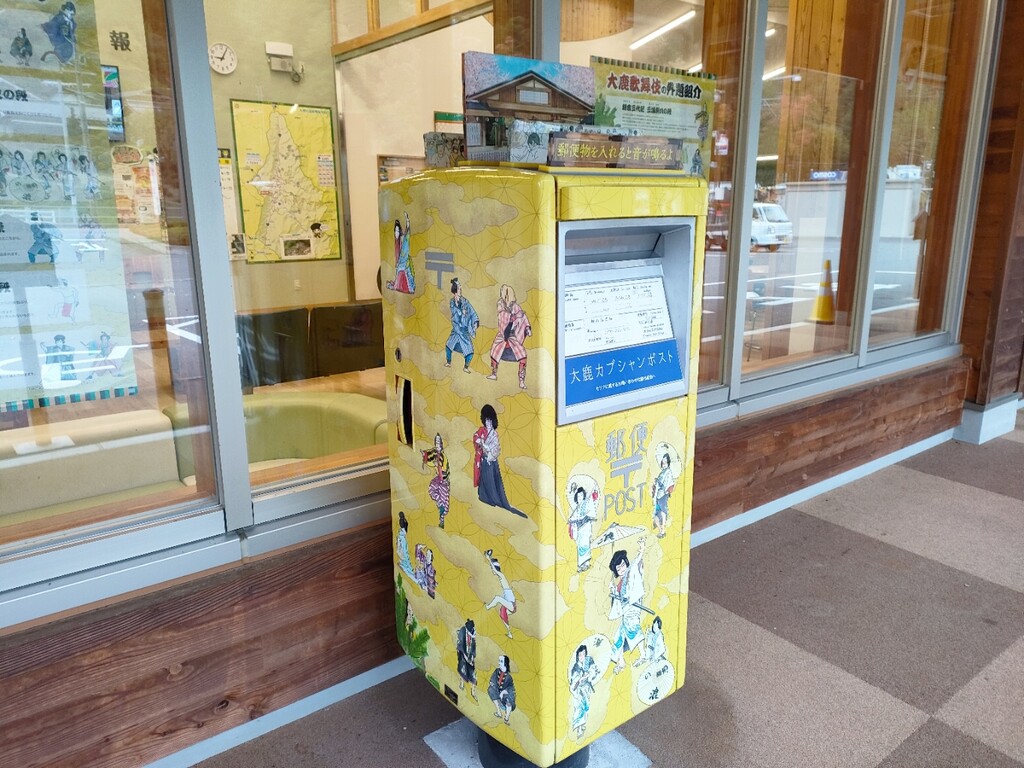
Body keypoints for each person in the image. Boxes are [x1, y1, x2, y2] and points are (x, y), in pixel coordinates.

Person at [472, 404, 525, 518]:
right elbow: (475, 438)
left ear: (493, 421)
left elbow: (497, 448)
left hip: (491, 460)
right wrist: (481, 443)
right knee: (484, 480)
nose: (488, 423)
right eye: (486, 420)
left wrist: (489, 453)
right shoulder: (482, 431)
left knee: (493, 481)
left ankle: (494, 500)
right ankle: (485, 497)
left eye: (490, 420)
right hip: (484, 459)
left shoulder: (494, 434)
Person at [608, 538, 648, 674]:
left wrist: (641, 550)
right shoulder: (620, 583)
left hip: (633, 607)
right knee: (618, 637)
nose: (621, 569)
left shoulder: (631, 572)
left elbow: (636, 563)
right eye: (618, 568)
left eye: (622, 565)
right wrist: (613, 590)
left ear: (626, 563)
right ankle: (621, 662)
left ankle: (643, 654)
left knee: (633, 629)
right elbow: (618, 599)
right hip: (626, 609)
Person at [487, 284, 531, 389]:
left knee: (523, 356)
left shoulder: (515, 306)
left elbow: (523, 318)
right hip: (503, 335)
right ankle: (494, 373)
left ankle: (521, 381)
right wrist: (514, 317)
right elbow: (503, 317)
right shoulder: (500, 304)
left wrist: (527, 328)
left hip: (513, 337)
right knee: (494, 350)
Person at [445, 277, 478, 372]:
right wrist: (462, 313)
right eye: (459, 288)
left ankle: (466, 367)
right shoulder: (452, 302)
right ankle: (448, 362)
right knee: (448, 346)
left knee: (470, 352)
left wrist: (475, 322)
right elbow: (455, 315)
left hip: (464, 331)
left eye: (460, 288)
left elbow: (472, 312)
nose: (460, 290)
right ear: (455, 291)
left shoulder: (465, 302)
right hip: (456, 330)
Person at [483, 549, 516, 638]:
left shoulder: (501, 575)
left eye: (493, 569)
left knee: (497, 598)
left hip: (511, 605)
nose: (492, 571)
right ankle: (509, 633)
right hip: (509, 604)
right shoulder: (500, 576)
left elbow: (495, 570)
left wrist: (488, 558)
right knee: (502, 614)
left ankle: (488, 607)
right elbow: (495, 569)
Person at [420, 433, 450, 528]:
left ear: (441, 444)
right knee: (432, 489)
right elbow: (429, 457)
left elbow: (443, 467)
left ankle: (442, 520)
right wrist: (424, 455)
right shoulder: (435, 453)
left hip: (444, 480)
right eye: (436, 443)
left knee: (444, 502)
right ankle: (440, 504)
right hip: (438, 479)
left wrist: (438, 465)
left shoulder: (443, 456)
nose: (437, 445)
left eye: (438, 443)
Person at [569, 644, 599, 739]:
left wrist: (589, 674)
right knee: (579, 709)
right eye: (580, 655)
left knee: (586, 707)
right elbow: (574, 682)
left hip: (586, 689)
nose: (582, 656)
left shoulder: (588, 660)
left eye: (583, 654)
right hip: (579, 691)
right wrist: (581, 678)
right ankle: (578, 729)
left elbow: (594, 670)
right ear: (577, 655)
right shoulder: (576, 667)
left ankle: (582, 727)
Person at [567, 483, 599, 572]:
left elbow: (590, 511)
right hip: (579, 530)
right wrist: (571, 521)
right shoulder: (577, 509)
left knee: (585, 545)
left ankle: (586, 563)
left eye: (581, 495)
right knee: (580, 546)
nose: (580, 497)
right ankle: (581, 565)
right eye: (578, 496)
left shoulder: (587, 503)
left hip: (585, 528)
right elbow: (573, 518)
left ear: (584, 495)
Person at [386, 212, 415, 293]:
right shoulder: (397, 242)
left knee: (405, 276)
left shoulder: (404, 238)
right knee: (399, 274)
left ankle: (408, 288)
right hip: (400, 264)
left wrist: (407, 220)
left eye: (397, 230)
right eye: (395, 231)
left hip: (404, 262)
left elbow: (408, 231)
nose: (396, 232)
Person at [650, 451, 675, 538]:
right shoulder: (662, 472)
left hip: (663, 495)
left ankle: (663, 530)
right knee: (656, 514)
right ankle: (661, 531)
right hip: (658, 495)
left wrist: (659, 483)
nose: (664, 464)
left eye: (665, 463)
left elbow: (667, 484)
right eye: (663, 462)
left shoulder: (668, 472)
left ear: (668, 463)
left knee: (662, 511)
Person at [488, 655, 516, 724]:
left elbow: (511, 688)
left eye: (501, 661)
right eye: (499, 661)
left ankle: (506, 719)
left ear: (505, 663)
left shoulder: (509, 677)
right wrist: (493, 684)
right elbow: (492, 680)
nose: (499, 663)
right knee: (491, 689)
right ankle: (499, 712)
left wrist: (503, 692)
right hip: (497, 691)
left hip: (505, 695)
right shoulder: (497, 671)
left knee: (509, 702)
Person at [456, 619, 478, 700]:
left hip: (470, 657)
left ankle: (473, 692)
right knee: (463, 671)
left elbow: (473, 647)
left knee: (473, 675)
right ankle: (461, 684)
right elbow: (459, 646)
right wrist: (465, 657)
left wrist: (471, 657)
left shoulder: (472, 634)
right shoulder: (462, 632)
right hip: (462, 655)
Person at [395, 511, 416, 581]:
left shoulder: (402, 524)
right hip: (402, 536)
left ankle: (406, 565)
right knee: (404, 552)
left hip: (402, 536)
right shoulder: (403, 523)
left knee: (404, 551)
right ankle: (406, 565)